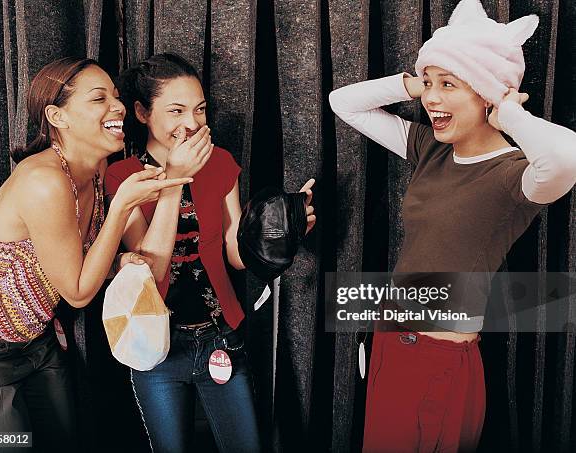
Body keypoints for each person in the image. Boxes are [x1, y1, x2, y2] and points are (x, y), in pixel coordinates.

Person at [329, 0, 576, 451]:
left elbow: (568, 158)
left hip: (436, 360)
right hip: (391, 344)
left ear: (486, 93)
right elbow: (342, 103)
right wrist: (414, 80)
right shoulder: (432, 147)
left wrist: (511, 114)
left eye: (448, 84)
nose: (431, 99)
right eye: (429, 84)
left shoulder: (512, 173)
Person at [0, 56, 191, 452]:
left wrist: (121, 259)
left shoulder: (98, 171)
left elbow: (144, 265)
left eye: (116, 97)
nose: (117, 107)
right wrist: (120, 208)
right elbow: (78, 292)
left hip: (38, 344)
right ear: (58, 117)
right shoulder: (44, 181)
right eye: (98, 98)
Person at [104, 52, 316, 453]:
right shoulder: (123, 176)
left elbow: (237, 255)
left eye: (200, 109)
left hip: (221, 337)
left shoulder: (220, 163)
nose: (193, 123)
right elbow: (149, 268)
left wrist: (281, 227)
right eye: (177, 111)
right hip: (157, 346)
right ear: (142, 113)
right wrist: (173, 178)